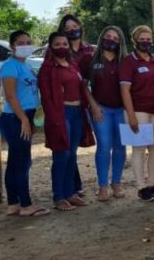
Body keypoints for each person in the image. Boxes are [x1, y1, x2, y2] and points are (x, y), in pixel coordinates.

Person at [0, 30, 49, 216]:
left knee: (15, 162)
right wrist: (23, 119)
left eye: (28, 42)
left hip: (24, 116)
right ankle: (26, 205)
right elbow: (10, 95)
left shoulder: (26, 65)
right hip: (15, 118)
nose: (25, 46)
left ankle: (13, 203)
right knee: (22, 163)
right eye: (20, 43)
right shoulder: (10, 66)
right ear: (12, 46)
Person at [38, 32, 90, 211]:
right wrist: (55, 119)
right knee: (62, 154)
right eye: (57, 44)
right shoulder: (47, 69)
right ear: (50, 47)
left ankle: (70, 193)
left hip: (77, 113)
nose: (62, 47)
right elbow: (46, 98)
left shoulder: (72, 64)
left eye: (65, 44)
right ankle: (58, 197)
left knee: (72, 155)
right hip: (61, 114)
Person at [79, 26, 128, 201]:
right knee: (104, 146)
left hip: (122, 110)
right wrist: (93, 105)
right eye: (108, 36)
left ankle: (116, 182)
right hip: (101, 110)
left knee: (120, 146)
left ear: (120, 41)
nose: (111, 40)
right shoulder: (90, 59)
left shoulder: (125, 60)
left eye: (115, 38)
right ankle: (103, 186)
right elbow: (83, 85)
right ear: (101, 38)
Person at [120, 25, 154, 201]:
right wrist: (131, 115)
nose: (145, 42)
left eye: (148, 39)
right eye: (142, 39)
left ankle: (153, 183)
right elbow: (125, 91)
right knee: (139, 149)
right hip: (138, 110)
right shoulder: (128, 61)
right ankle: (141, 187)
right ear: (134, 40)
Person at [55, 14, 96, 198]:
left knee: (73, 147)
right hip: (65, 105)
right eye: (67, 28)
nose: (72, 30)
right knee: (65, 149)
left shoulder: (91, 50)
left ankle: (73, 186)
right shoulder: (59, 52)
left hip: (84, 103)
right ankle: (66, 190)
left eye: (74, 26)